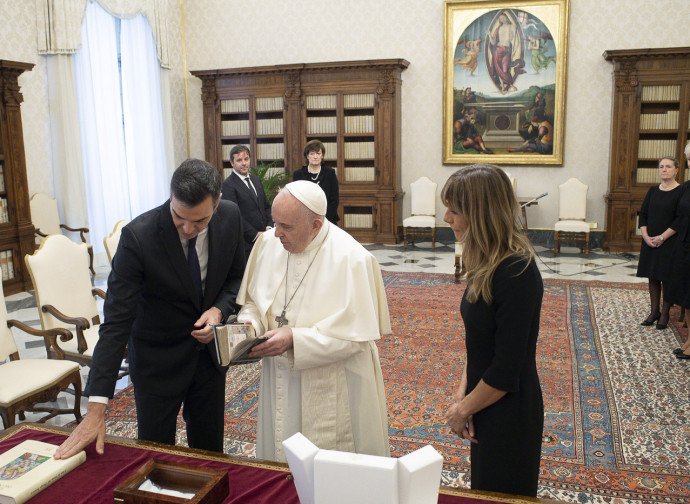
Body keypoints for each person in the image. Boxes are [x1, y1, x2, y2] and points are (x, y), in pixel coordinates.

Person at [55, 159, 246, 459]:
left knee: (209, 455)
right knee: (154, 457)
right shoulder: (138, 238)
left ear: (217, 203)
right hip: (157, 363)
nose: (187, 229)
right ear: (170, 198)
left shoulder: (230, 216)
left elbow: (237, 277)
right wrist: (95, 408)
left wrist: (219, 310)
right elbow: (116, 324)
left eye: (199, 221)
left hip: (208, 362)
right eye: (179, 217)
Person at [236, 180, 390, 462]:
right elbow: (253, 303)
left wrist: (294, 339)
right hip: (279, 376)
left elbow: (355, 340)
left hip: (332, 384)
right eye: (275, 222)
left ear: (316, 226)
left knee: (329, 470)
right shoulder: (269, 244)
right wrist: (250, 327)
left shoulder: (352, 259)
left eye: (287, 227)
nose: (277, 233)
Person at [442, 165, 544, 497]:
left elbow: (506, 368)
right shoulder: (487, 261)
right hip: (485, 400)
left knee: (502, 493)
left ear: (480, 213)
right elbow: (481, 343)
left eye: (454, 210)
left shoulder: (516, 271)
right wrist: (466, 389)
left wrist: (462, 410)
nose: (446, 218)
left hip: (509, 411)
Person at [636, 157, 683, 330]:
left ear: (676, 170)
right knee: (653, 276)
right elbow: (643, 215)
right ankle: (654, 311)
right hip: (650, 241)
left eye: (668, 166)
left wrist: (662, 237)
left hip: (670, 241)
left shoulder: (681, 191)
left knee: (667, 278)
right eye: (661, 166)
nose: (664, 169)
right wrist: (646, 237)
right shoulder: (653, 191)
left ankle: (664, 314)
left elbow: (680, 219)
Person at [221, 145, 273, 257]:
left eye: (246, 159)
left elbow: (266, 206)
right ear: (232, 163)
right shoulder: (227, 185)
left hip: (266, 239)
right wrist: (255, 234)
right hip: (246, 244)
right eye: (239, 160)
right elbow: (234, 216)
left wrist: (269, 227)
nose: (244, 163)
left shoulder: (256, 180)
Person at [666, 145, 690, 358]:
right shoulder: (687, 187)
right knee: (686, 296)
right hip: (684, 246)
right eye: (689, 159)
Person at [292, 139, 340, 224]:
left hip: (327, 219)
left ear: (322, 156)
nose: (315, 156)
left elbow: (334, 200)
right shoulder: (298, 175)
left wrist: (323, 219)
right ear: (307, 156)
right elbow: (296, 200)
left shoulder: (330, 174)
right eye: (312, 153)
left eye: (318, 153)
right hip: (304, 220)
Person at [486, 12, 525, 92]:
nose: (502, 20)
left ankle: (510, 84)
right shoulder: (498, 28)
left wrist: (514, 51)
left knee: (505, 69)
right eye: (500, 19)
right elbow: (493, 42)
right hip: (498, 49)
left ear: (506, 17)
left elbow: (517, 41)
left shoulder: (512, 26)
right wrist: (490, 35)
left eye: (503, 17)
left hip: (506, 50)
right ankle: (503, 86)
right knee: (498, 69)